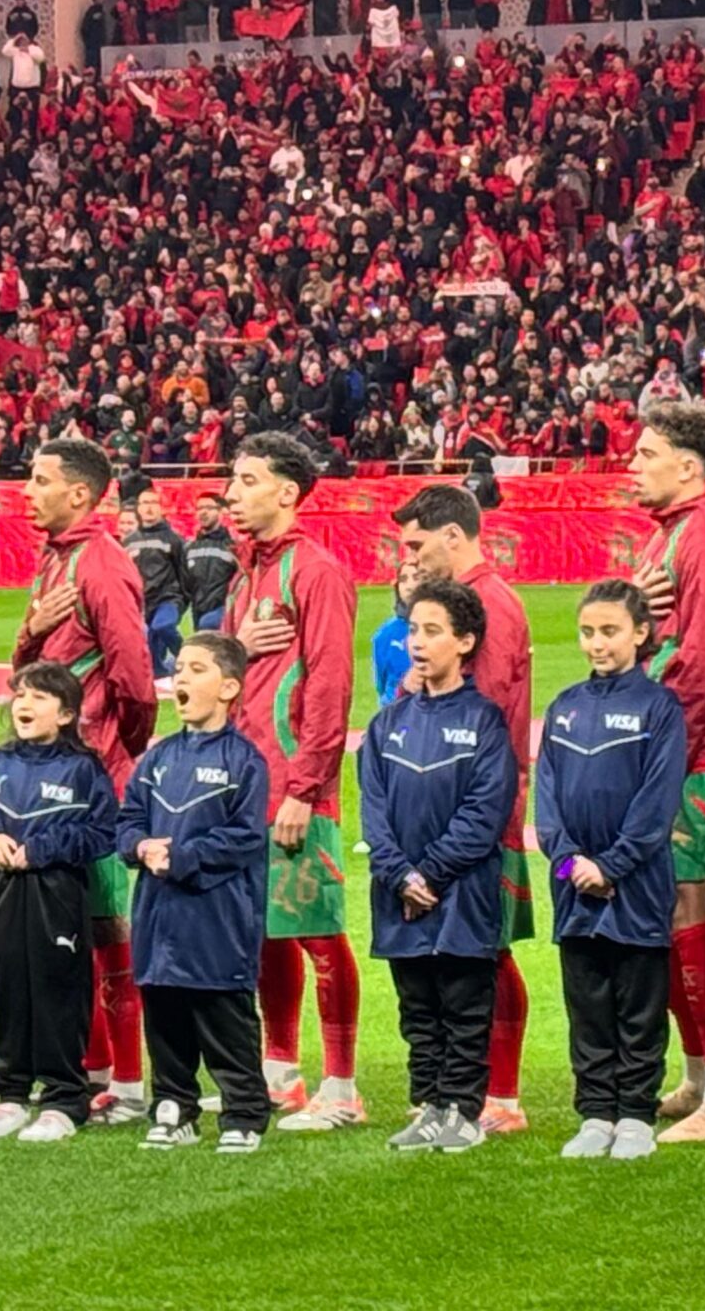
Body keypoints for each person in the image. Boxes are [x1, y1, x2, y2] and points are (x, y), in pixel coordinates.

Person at [14, 438, 158, 1123]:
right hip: (54, 775)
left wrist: (118, 755)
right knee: (70, 929)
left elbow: (133, 674)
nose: (26, 490)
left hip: (93, 777)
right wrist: (29, 631)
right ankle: (94, 1071)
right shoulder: (55, 560)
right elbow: (31, 676)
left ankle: (127, 1085)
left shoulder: (100, 563)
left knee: (107, 931)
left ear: (78, 494)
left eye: (40, 480)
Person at [223, 432, 363, 1132]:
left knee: (316, 929)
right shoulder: (245, 576)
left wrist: (305, 788)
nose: (231, 493)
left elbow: (332, 685)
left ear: (286, 492)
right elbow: (222, 676)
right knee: (264, 932)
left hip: (293, 786)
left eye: (247, 480)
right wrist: (235, 649)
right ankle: (279, 1071)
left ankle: (342, 1087)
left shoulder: (316, 571)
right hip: (245, 784)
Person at [393, 485, 538, 1135]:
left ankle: (499, 1093)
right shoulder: (469, 600)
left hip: (476, 811)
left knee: (485, 952)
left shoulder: (488, 604)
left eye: (417, 544)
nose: (410, 557)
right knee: (458, 952)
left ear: (453, 536)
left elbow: (486, 709)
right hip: (445, 808)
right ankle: (458, 1089)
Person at [625, 401, 705, 1142]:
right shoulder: (670, 536)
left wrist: (661, 762)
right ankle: (701, 1077)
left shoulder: (701, 539)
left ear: (689, 466)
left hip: (690, 758)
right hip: (669, 751)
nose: (633, 465)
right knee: (670, 917)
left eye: (647, 454)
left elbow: (703, 666)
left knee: (688, 913)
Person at [361, 578, 518, 1154]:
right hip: (398, 892)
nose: (418, 643)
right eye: (413, 631)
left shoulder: (484, 721)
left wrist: (428, 873)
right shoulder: (387, 724)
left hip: (460, 893)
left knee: (464, 1006)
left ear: (465, 641)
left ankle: (463, 1111)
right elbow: (373, 813)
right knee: (418, 1011)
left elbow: (485, 810)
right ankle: (429, 1107)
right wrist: (399, 874)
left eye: (432, 631)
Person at [532, 580, 685, 1162]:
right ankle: (595, 1113)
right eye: (588, 632)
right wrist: (571, 862)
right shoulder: (565, 706)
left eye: (610, 631)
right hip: (574, 885)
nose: (597, 643)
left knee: (639, 1003)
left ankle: (636, 1115)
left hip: (636, 883)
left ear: (640, 633)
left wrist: (612, 865)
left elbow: (657, 802)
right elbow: (547, 800)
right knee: (588, 1003)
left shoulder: (658, 707)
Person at [119, 631, 273, 1153]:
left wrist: (181, 858)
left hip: (217, 917)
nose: (180, 678)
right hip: (158, 915)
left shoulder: (244, 761)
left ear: (229, 688)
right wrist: (140, 846)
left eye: (196, 669)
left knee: (223, 1014)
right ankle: (174, 1106)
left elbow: (245, 837)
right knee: (164, 1011)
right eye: (179, 668)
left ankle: (244, 1114)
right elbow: (128, 820)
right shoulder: (157, 758)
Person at [0, 663, 118, 1144]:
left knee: (57, 990)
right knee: (6, 985)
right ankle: (10, 1095)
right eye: (21, 695)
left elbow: (102, 833)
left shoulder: (83, 769)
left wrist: (43, 849)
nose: (24, 704)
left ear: (66, 714)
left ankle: (64, 1098)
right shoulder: (0, 762)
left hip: (57, 894)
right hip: (2, 891)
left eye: (39, 697)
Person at [124, 483, 189, 676]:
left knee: (163, 626)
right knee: (149, 644)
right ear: (138, 508)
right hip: (142, 602)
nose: (149, 508)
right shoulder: (129, 541)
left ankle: (187, 657)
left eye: (154, 503)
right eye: (144, 503)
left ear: (162, 508)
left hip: (168, 598)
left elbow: (183, 571)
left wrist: (183, 598)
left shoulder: (174, 539)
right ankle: (160, 673)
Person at [184, 492, 237, 631]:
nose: (203, 512)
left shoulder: (233, 547)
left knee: (207, 624)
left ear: (221, 512)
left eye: (208, 507)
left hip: (223, 609)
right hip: (198, 609)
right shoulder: (189, 548)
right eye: (199, 508)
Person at [371, 565, 416, 704]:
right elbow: (381, 685)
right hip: (396, 711)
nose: (409, 586)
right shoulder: (385, 634)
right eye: (403, 579)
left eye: (416, 578)